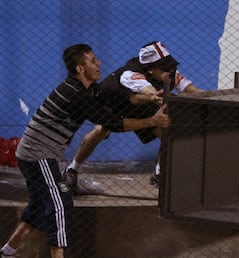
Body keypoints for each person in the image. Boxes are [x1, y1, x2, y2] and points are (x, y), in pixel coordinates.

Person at [0, 44, 171, 258]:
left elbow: (121, 100)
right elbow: (112, 122)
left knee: (38, 205)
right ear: (81, 69)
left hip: (40, 155)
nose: (98, 63)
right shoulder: (76, 94)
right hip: (37, 156)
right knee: (60, 203)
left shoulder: (87, 89)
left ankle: (8, 250)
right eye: (92, 60)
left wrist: (151, 98)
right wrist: (151, 120)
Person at [65, 41, 203, 188]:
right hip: (114, 101)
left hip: (140, 105)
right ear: (150, 70)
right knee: (100, 131)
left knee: (169, 133)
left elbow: (193, 91)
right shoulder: (130, 74)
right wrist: (159, 96)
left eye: (171, 65)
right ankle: (72, 169)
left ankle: (159, 174)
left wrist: (216, 98)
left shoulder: (170, 73)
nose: (170, 70)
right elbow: (148, 91)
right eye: (164, 67)